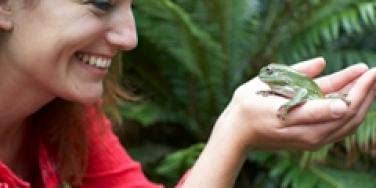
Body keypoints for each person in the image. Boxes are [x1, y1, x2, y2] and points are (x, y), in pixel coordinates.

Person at [0, 0, 374, 187]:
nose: (130, 38)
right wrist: (235, 132)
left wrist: (237, 128)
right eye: (101, 2)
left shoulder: (69, 115)